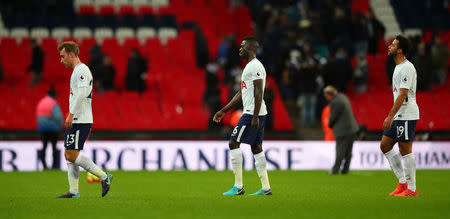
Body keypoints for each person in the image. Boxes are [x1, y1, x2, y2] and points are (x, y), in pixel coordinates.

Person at [213, 36, 272, 196]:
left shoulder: (255, 66)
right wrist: (224, 110)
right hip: (256, 112)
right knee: (256, 147)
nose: (240, 49)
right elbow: (241, 93)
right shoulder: (249, 67)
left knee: (233, 143)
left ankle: (238, 186)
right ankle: (266, 188)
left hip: (252, 112)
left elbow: (259, 92)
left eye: (243, 46)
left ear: (251, 49)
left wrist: (253, 117)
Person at [56, 41, 113, 198]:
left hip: (81, 119)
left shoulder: (82, 70)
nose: (61, 60)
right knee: (68, 153)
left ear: (71, 54)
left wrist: (71, 114)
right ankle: (74, 191)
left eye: (63, 56)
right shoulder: (77, 71)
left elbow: (82, 94)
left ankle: (103, 176)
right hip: (77, 118)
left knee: (72, 155)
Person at [381, 35, 419, 197]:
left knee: (405, 150)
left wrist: (390, 115)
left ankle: (411, 188)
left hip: (406, 114)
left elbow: (403, 94)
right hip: (399, 115)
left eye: (394, 44)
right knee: (385, 145)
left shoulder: (407, 68)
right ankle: (402, 182)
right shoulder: (398, 67)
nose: (390, 46)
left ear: (400, 50)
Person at [323, 85, 358, 175]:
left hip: (343, 130)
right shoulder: (343, 97)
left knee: (340, 152)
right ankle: (345, 170)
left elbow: (333, 117)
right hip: (352, 129)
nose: (326, 98)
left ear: (329, 94)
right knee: (348, 152)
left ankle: (335, 170)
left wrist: (330, 125)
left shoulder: (335, 102)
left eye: (326, 96)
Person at [36, 86, 63, 170]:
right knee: (54, 147)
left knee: (44, 146)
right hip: (53, 129)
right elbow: (58, 116)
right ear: (54, 95)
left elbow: (38, 116)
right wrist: (60, 125)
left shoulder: (41, 102)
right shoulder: (53, 103)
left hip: (42, 129)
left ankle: (44, 166)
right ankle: (54, 166)